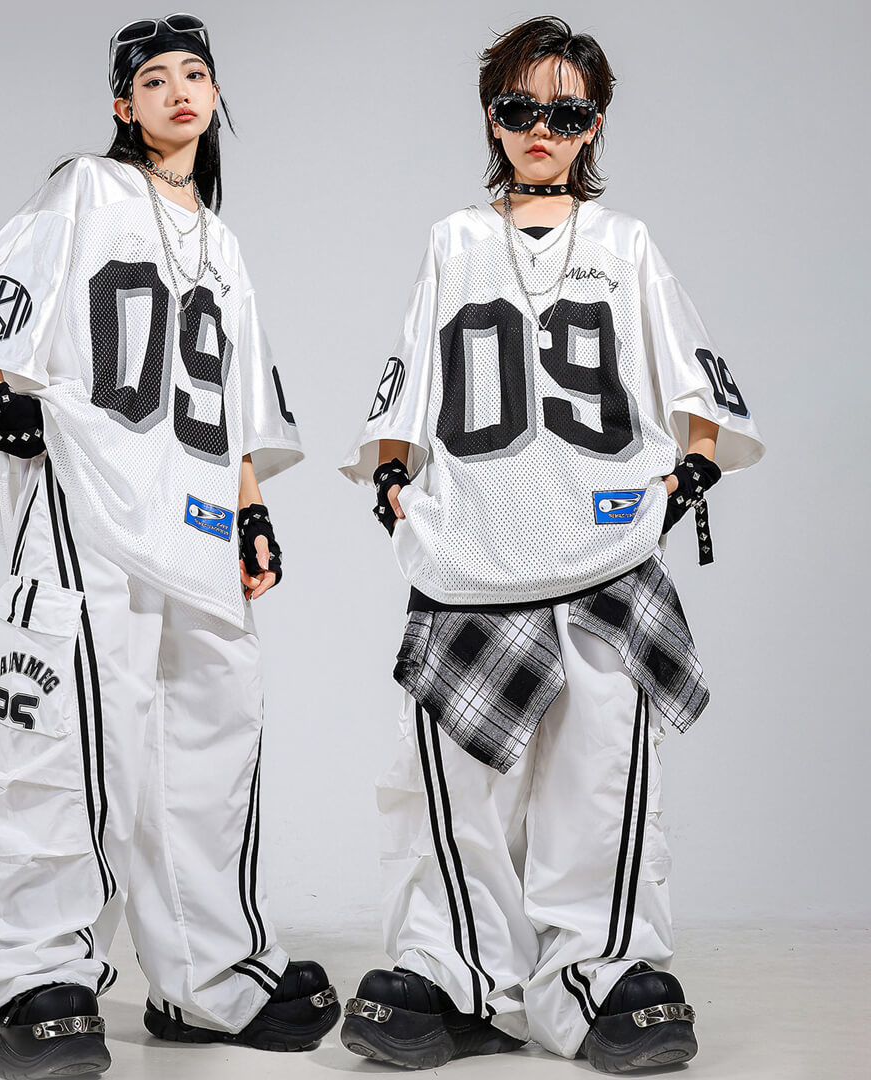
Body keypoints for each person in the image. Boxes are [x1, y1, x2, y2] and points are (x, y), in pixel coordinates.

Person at [338, 15, 763, 1073]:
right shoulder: (454, 241)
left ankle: (601, 973)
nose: (542, 127)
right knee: (452, 785)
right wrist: (393, 485)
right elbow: (407, 381)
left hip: (601, 556)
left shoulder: (626, 245)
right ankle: (455, 972)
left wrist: (686, 475)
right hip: (472, 554)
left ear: (594, 125)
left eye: (566, 112)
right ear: (493, 117)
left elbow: (695, 380)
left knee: (600, 778)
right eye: (521, 106)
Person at [0, 14, 339, 1078]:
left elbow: (237, 401)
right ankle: (32, 981)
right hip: (90, 496)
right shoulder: (86, 189)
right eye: (154, 79)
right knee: (62, 746)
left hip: (193, 517)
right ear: (123, 104)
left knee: (212, 745)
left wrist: (251, 509)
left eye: (195, 74)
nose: (179, 91)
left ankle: (209, 978)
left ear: (215, 94)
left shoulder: (223, 244)